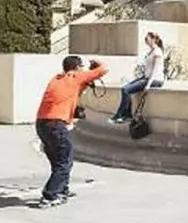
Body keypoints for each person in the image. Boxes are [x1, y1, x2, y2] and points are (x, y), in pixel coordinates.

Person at [34, 55, 107, 207]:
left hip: (42, 124)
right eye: (82, 67)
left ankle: (62, 190)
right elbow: (103, 69)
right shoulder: (75, 76)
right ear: (77, 67)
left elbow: (74, 90)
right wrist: (95, 64)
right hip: (56, 124)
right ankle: (50, 195)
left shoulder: (57, 79)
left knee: (57, 160)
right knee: (64, 160)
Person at [111, 31, 166, 124]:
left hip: (156, 80)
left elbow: (155, 70)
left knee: (126, 89)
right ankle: (126, 114)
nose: (145, 40)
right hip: (147, 78)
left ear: (154, 39)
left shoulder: (157, 52)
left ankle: (121, 114)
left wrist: (148, 85)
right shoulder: (151, 52)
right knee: (125, 87)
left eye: (147, 38)